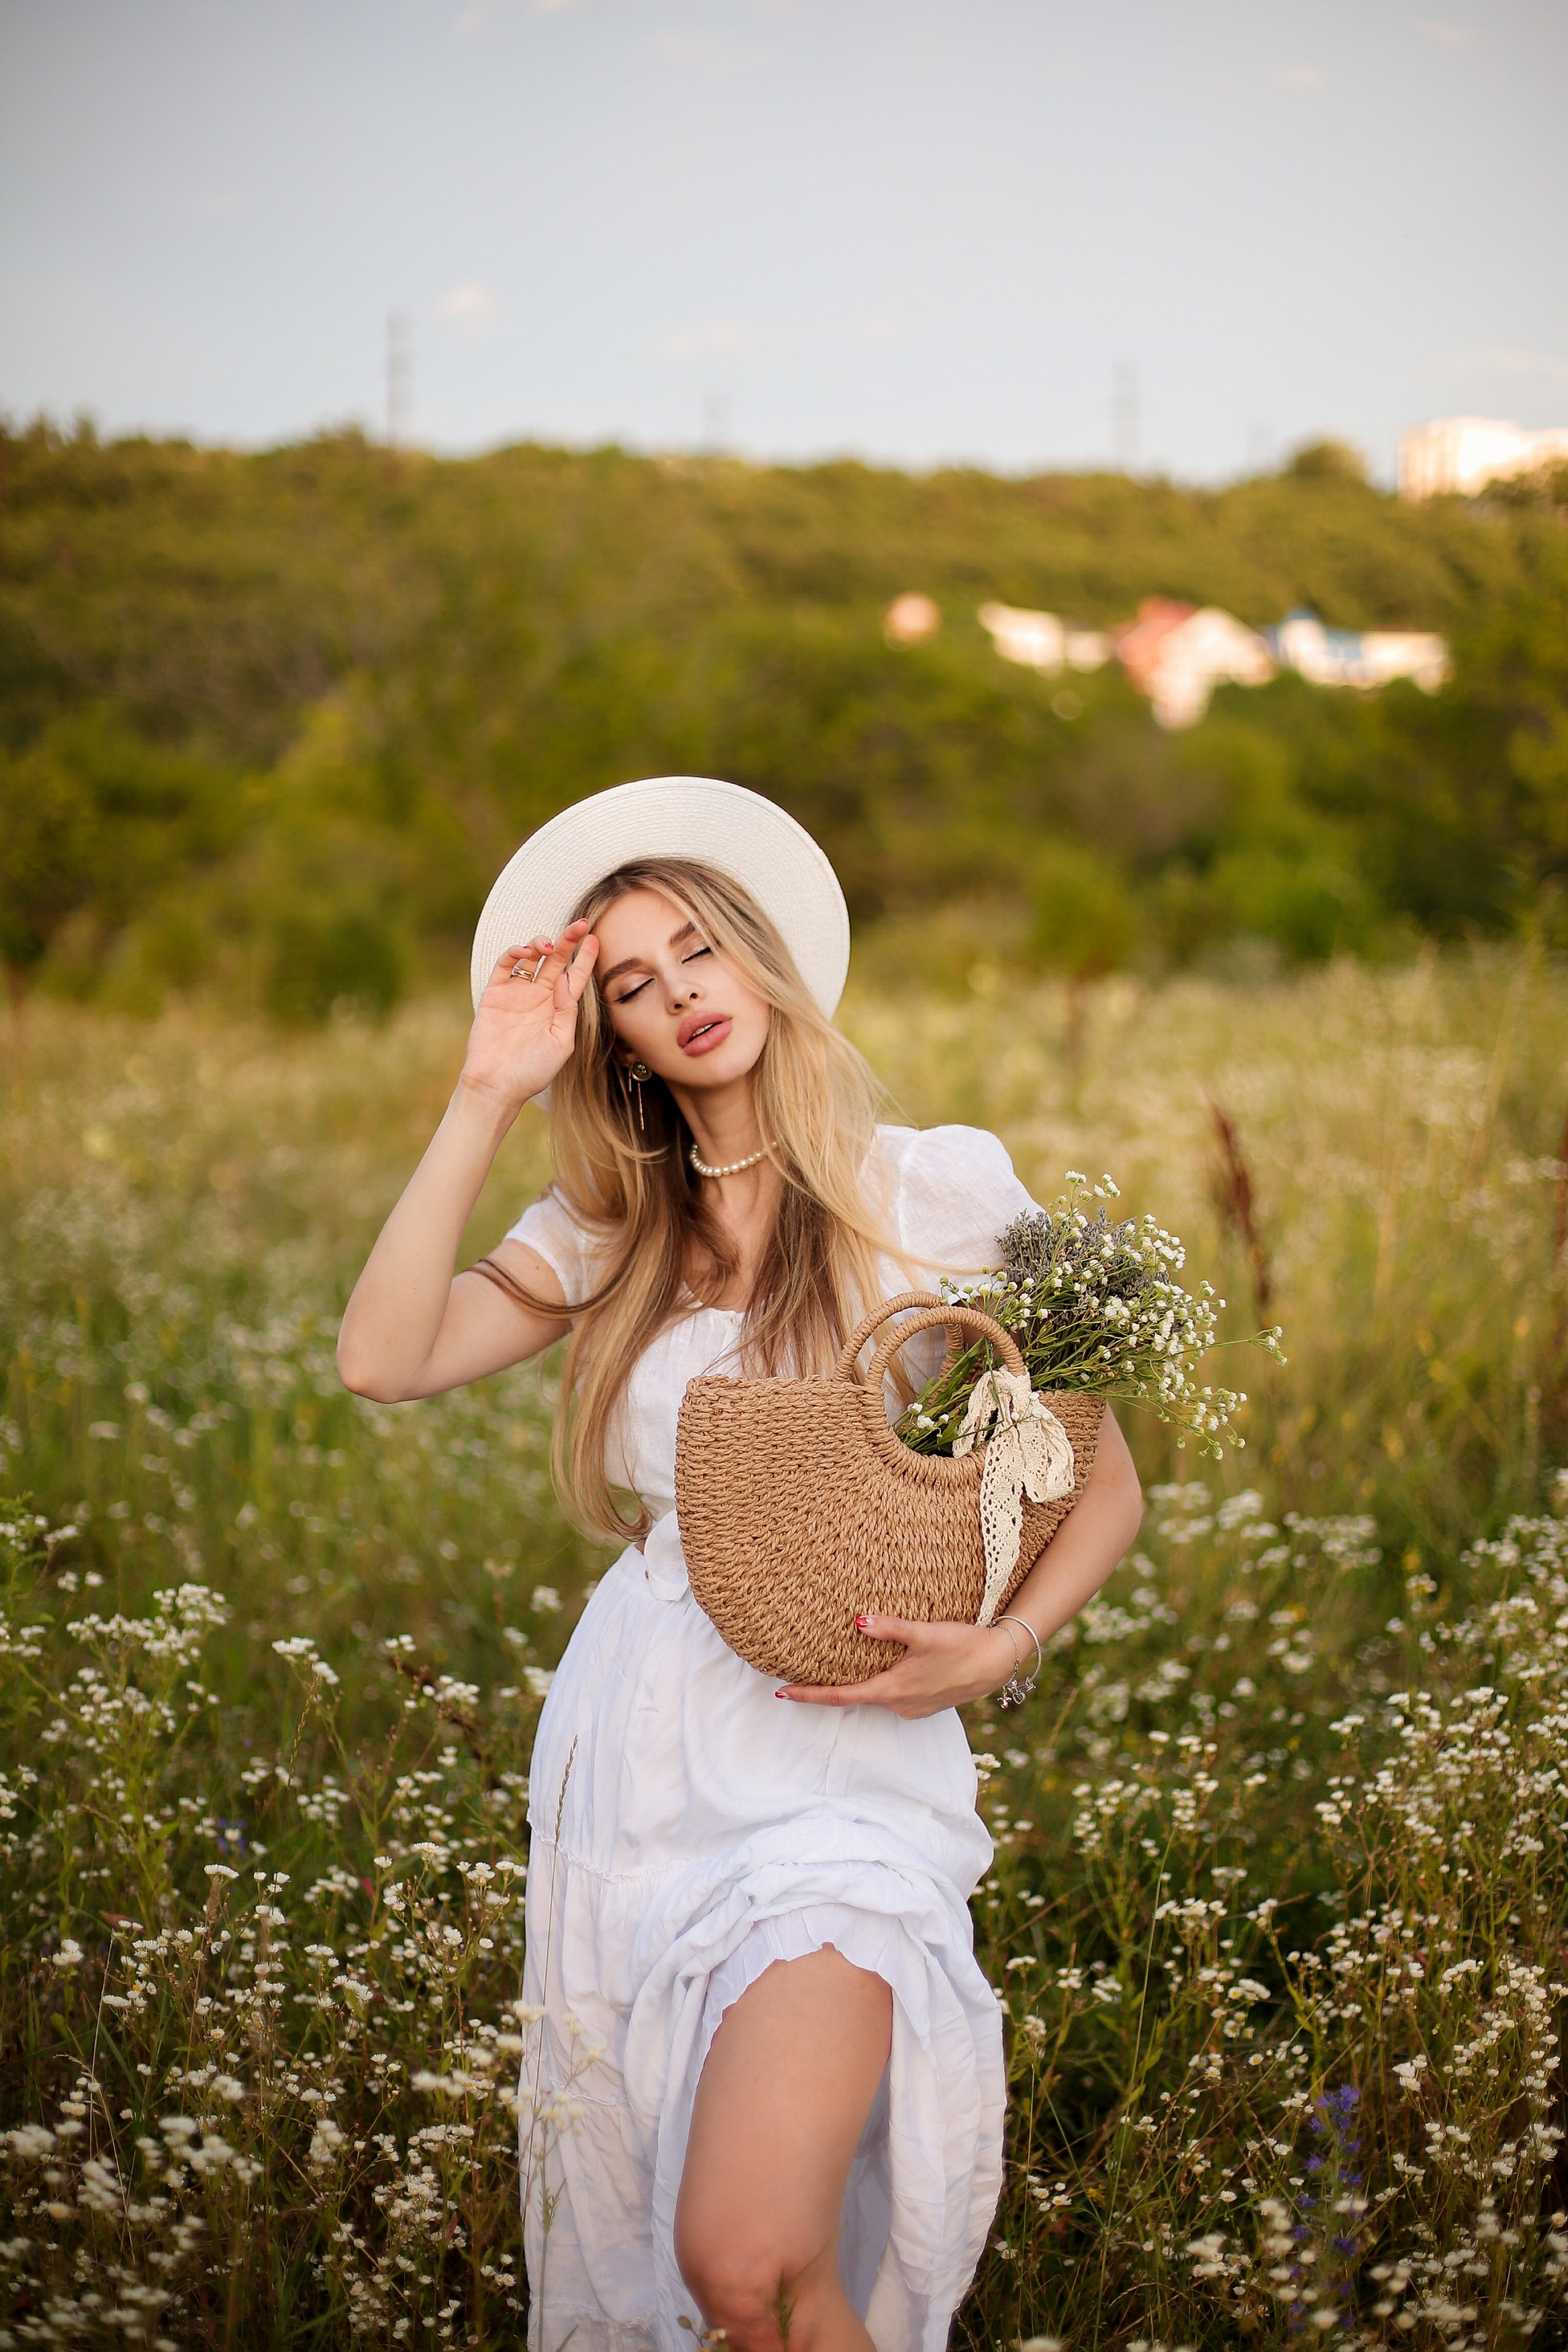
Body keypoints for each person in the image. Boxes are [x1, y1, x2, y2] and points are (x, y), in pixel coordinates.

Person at [337, 778, 1143, 2352]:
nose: (680, 994)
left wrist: (1008, 1646)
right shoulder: (605, 1230)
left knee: (744, 2259)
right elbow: (383, 1359)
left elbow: (1099, 1480)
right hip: (639, 1757)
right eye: (632, 984)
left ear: (763, 960)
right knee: (724, 2285)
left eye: (698, 950)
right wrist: (487, 1090)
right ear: (614, 1038)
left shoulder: (942, 1188)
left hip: (842, 1753)